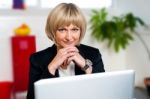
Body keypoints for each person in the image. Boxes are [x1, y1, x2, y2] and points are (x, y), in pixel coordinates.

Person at [27, 3, 105, 99]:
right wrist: (52, 67)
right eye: (62, 30)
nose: (69, 37)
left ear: (81, 31)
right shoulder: (37, 59)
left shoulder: (93, 54)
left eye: (74, 29)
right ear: (53, 31)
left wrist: (86, 66)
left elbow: (103, 92)